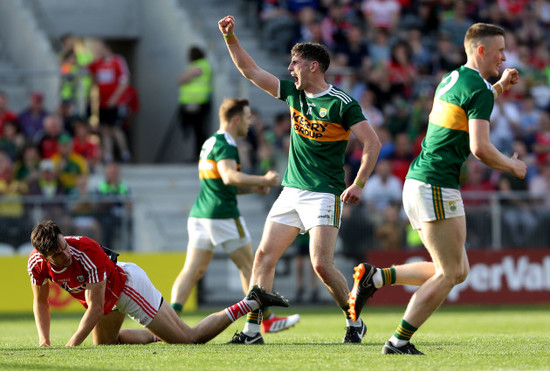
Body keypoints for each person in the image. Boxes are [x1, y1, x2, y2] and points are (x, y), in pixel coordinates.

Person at [348, 23, 527, 355]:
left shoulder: (454, 78)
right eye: (500, 50)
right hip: (437, 184)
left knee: (458, 270)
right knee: (450, 272)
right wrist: (512, 164)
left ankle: (375, 279)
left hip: (421, 182)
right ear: (481, 50)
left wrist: (500, 86)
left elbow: (474, 100)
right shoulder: (477, 87)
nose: (505, 56)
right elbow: (481, 148)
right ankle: (398, 341)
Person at [218, 15, 381, 344]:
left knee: (321, 264)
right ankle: (252, 330)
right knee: (264, 257)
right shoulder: (293, 94)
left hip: (324, 193)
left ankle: (354, 321)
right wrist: (231, 38)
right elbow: (250, 71)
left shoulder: (342, 104)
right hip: (291, 192)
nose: (290, 68)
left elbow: (372, 143)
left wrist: (358, 183)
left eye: (295, 63)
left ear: (314, 67)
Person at [27, 220, 289, 347]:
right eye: (58, 254)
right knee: (106, 344)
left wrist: (70, 346)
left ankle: (251, 301)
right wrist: (44, 341)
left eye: (64, 246)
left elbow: (94, 308)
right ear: (44, 256)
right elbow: (40, 303)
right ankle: (158, 334)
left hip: (128, 289)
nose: (66, 254)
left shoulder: (85, 250)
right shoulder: (36, 265)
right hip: (109, 300)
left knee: (190, 339)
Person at [170, 98, 299, 334]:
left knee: (192, 270)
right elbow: (230, 177)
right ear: (237, 119)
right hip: (223, 215)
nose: (250, 123)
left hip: (201, 214)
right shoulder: (227, 144)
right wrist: (264, 180)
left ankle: (168, 321)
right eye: (248, 118)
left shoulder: (211, 141)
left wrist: (252, 188)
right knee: (252, 267)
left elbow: (224, 183)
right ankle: (267, 320)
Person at [88, 40, 131, 163]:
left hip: (116, 103)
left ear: (107, 48)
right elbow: (88, 72)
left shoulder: (118, 61)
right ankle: (108, 155)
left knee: (116, 128)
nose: (97, 52)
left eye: (99, 49)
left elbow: (125, 81)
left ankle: (124, 153)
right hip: (103, 103)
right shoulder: (97, 63)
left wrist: (115, 98)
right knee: (105, 129)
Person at [178, 46, 212, 162]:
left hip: (197, 102)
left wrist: (182, 78)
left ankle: (200, 154)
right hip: (194, 102)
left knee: (199, 130)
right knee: (197, 130)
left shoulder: (200, 65)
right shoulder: (201, 64)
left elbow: (183, 79)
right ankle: (198, 154)